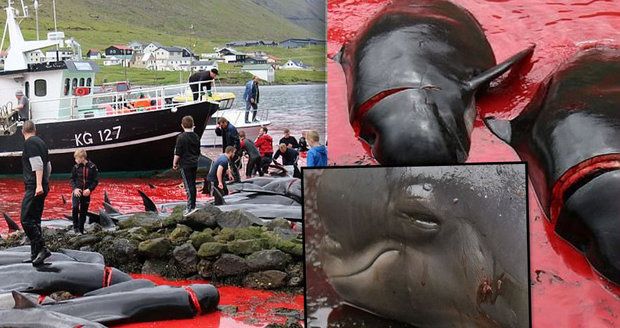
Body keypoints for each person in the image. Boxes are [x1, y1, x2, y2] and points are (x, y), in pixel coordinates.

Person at [20, 120, 52, 266]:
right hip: (42, 185)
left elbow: (37, 163)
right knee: (35, 219)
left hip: (34, 186)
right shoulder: (41, 142)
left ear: (22, 131)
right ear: (35, 129)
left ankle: (42, 248)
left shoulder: (30, 143)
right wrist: (45, 183)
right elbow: (48, 166)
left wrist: (39, 185)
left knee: (26, 219)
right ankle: (35, 255)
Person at [173, 116, 201, 216]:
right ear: (193, 125)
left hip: (185, 164)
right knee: (192, 184)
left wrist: (175, 163)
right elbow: (198, 151)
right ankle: (193, 205)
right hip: (194, 163)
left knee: (188, 187)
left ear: (182, 125)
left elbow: (178, 153)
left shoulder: (181, 137)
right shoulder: (196, 136)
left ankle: (190, 208)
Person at [70, 149, 99, 234]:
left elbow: (95, 180)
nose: (75, 160)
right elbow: (72, 179)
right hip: (77, 192)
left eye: (77, 158)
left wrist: (90, 189)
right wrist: (74, 188)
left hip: (86, 192)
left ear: (82, 158)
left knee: (83, 211)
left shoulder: (92, 167)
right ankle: (75, 227)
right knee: (75, 207)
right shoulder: (75, 167)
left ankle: (81, 229)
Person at [214, 117, 241, 182]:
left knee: (233, 164)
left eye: (222, 125)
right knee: (227, 163)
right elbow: (219, 134)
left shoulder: (231, 128)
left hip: (232, 150)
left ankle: (237, 179)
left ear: (225, 122)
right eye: (220, 126)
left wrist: (234, 150)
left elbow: (236, 140)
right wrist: (217, 128)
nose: (221, 127)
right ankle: (229, 177)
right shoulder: (224, 128)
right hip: (227, 149)